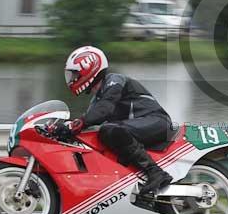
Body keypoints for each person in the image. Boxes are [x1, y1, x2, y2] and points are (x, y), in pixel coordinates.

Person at [55, 45, 174, 195]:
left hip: (157, 121)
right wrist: (63, 128)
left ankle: (155, 172)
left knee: (109, 130)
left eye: (74, 74)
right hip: (138, 126)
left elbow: (104, 109)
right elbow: (89, 120)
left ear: (88, 67)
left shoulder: (115, 80)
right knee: (97, 134)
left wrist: (77, 124)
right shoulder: (97, 98)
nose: (72, 79)